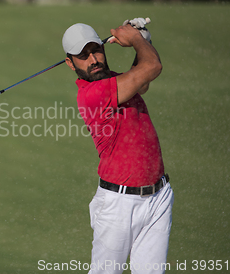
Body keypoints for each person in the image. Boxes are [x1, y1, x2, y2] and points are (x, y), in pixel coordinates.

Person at [62, 19, 174, 274]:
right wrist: (136, 39)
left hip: (158, 197)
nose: (93, 60)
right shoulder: (92, 94)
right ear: (70, 63)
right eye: (83, 56)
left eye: (96, 50)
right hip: (118, 205)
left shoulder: (114, 81)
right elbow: (152, 66)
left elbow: (141, 82)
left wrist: (143, 40)